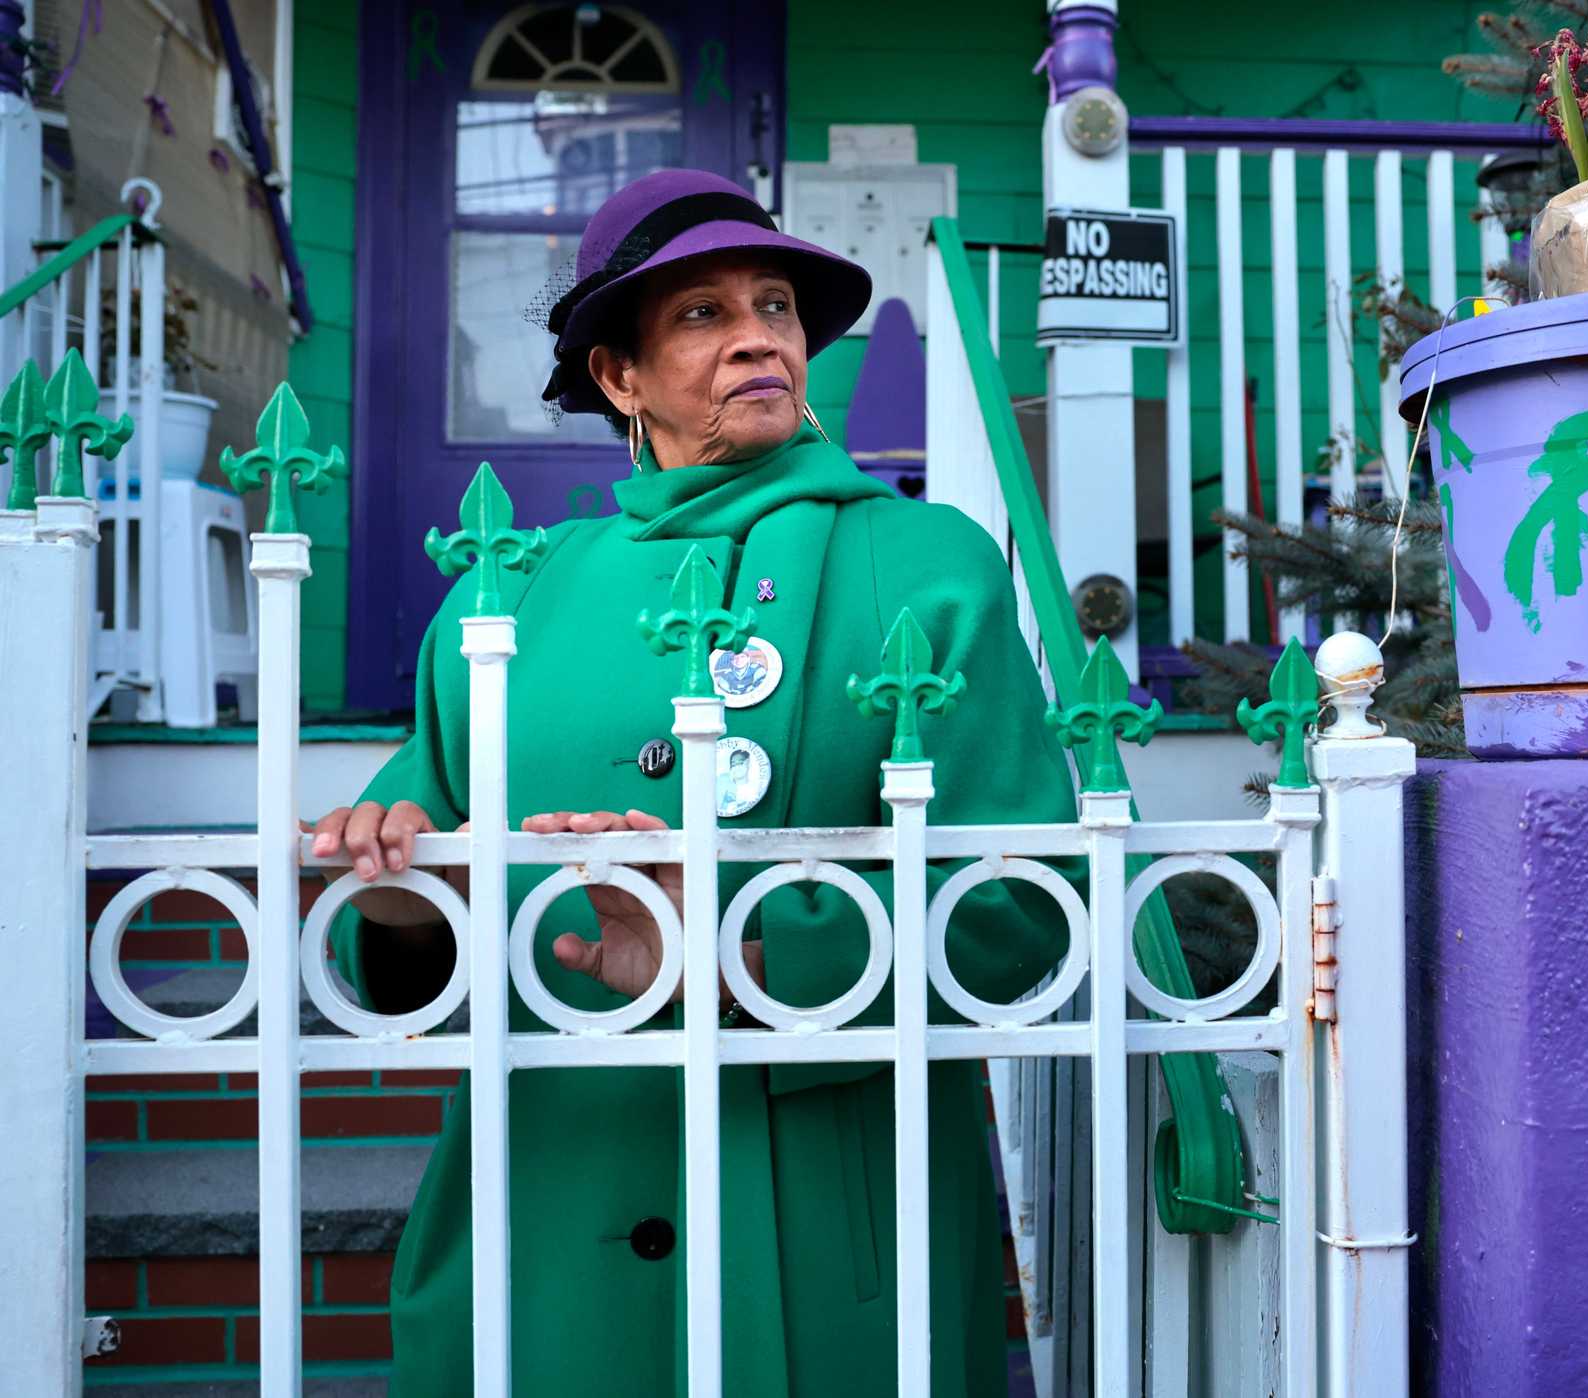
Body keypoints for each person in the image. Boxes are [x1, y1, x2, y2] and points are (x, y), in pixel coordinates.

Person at [308, 170, 1079, 1396]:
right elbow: (414, 926)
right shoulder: (509, 591)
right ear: (618, 376)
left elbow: (1022, 899)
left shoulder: (928, 562)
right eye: (700, 316)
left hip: (826, 1207)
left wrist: (730, 968)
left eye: (773, 305)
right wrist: (390, 880)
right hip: (550, 1204)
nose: (758, 336)